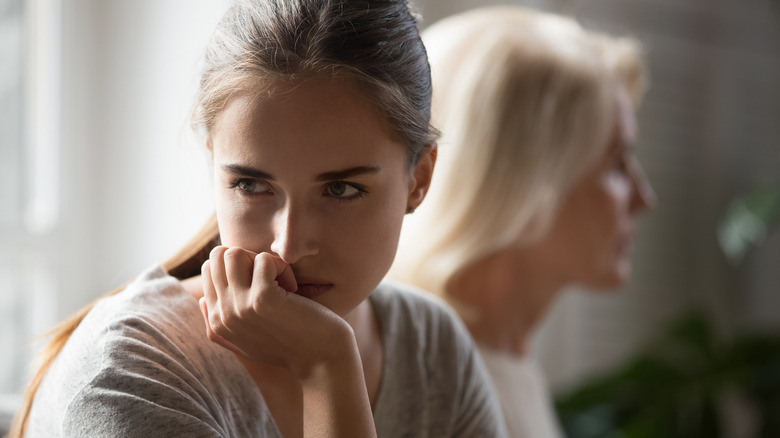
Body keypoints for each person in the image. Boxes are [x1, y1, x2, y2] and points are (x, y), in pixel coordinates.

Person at [9, 1, 507, 437]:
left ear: (418, 179)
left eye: (341, 189)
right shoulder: (129, 376)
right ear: (214, 166)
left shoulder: (429, 345)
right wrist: (325, 365)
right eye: (250, 184)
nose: (287, 248)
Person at [390, 6, 657, 438]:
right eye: (616, 164)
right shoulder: (428, 381)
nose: (645, 199)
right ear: (524, 183)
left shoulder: (503, 356)